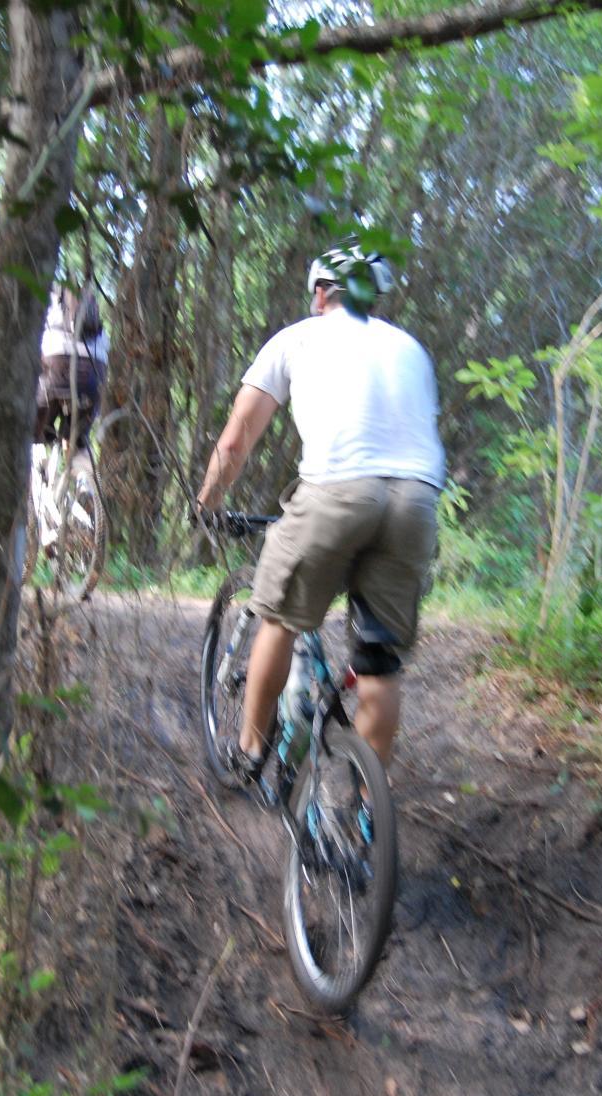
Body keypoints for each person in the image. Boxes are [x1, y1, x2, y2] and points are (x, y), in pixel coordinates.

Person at [197, 244, 445, 781]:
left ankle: (249, 752)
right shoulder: (412, 350)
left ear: (319, 293)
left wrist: (208, 500)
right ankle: (362, 818)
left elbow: (237, 439)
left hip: (337, 491)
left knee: (279, 619)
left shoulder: (297, 339)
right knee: (380, 663)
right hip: (417, 501)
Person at [35, 284, 109, 452]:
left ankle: (35, 457)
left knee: (33, 434)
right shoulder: (97, 326)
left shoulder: (46, 306)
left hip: (55, 368)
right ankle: (83, 473)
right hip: (94, 374)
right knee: (78, 442)